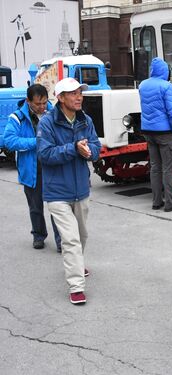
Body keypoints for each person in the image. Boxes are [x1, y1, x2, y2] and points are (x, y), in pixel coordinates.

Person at [37, 78, 101, 305]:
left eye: (80, 93)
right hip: (57, 192)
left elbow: (96, 147)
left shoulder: (86, 120)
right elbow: (45, 155)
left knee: (82, 235)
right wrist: (73, 149)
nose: (78, 97)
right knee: (71, 240)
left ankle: (76, 263)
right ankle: (76, 286)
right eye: (72, 93)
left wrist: (90, 152)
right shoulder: (47, 123)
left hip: (81, 189)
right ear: (60, 98)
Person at [4, 84, 62, 251]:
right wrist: (36, 142)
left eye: (44, 102)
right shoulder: (17, 118)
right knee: (35, 207)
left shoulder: (53, 114)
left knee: (58, 207)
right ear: (28, 101)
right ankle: (38, 235)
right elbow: (9, 141)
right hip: (31, 170)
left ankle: (61, 241)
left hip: (53, 168)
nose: (42, 107)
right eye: (38, 104)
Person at [138, 57, 172, 212]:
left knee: (155, 167)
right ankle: (170, 202)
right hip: (165, 133)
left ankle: (156, 201)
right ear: (165, 71)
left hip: (148, 131)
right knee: (169, 168)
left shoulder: (143, 85)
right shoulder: (167, 87)